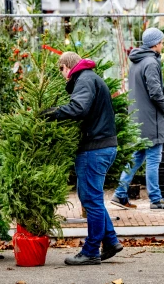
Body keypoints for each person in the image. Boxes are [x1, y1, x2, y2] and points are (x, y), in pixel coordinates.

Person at [44, 52, 122, 266]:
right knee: (93, 198)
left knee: (91, 200)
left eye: (60, 70)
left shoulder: (85, 79)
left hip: (94, 149)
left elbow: (79, 108)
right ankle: (111, 241)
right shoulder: (89, 78)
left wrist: (54, 113)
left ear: (67, 66)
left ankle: (91, 251)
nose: (62, 76)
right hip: (101, 146)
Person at [110, 28, 164, 211]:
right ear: (155, 44)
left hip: (138, 117)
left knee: (137, 156)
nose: (163, 45)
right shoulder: (151, 62)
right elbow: (155, 91)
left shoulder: (137, 61)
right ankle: (156, 199)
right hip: (151, 119)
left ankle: (120, 193)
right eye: (162, 42)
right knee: (153, 159)